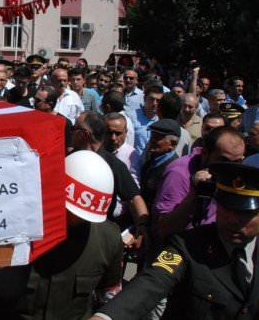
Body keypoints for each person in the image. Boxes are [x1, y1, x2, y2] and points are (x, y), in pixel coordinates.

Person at [91, 163, 259, 320]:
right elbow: (151, 283)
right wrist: (105, 317)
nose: (233, 220)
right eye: (226, 209)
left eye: (245, 214)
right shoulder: (186, 247)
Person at [17, 151, 123, 319]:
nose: (73, 218)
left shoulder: (109, 240)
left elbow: (110, 293)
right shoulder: (22, 224)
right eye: (68, 211)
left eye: (80, 216)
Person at [153, 127, 245, 241]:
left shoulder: (236, 174)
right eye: (224, 160)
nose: (230, 168)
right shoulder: (178, 173)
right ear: (205, 153)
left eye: (237, 162)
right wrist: (194, 194)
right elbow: (163, 229)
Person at [73, 112, 150, 247]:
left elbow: (134, 198)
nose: (71, 132)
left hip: (96, 239)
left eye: (74, 129)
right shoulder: (70, 159)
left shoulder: (112, 164)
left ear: (84, 134)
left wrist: (142, 227)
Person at [139, 119, 180, 208]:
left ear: (172, 144)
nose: (151, 141)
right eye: (152, 137)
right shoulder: (151, 160)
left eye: (157, 138)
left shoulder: (173, 170)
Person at [127, 84, 162, 157]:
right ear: (144, 98)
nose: (154, 103)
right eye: (151, 99)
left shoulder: (161, 120)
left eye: (158, 101)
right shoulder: (130, 117)